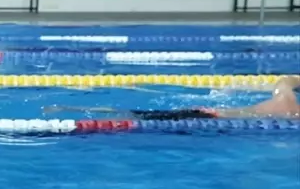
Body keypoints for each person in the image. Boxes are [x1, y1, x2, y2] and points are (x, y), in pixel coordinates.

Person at [45, 75, 300, 120]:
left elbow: (287, 80)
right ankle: (70, 106)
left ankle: (70, 105)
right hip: (205, 117)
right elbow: (287, 80)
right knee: (134, 115)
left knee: (136, 114)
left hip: (210, 114)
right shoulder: (285, 105)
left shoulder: (285, 100)